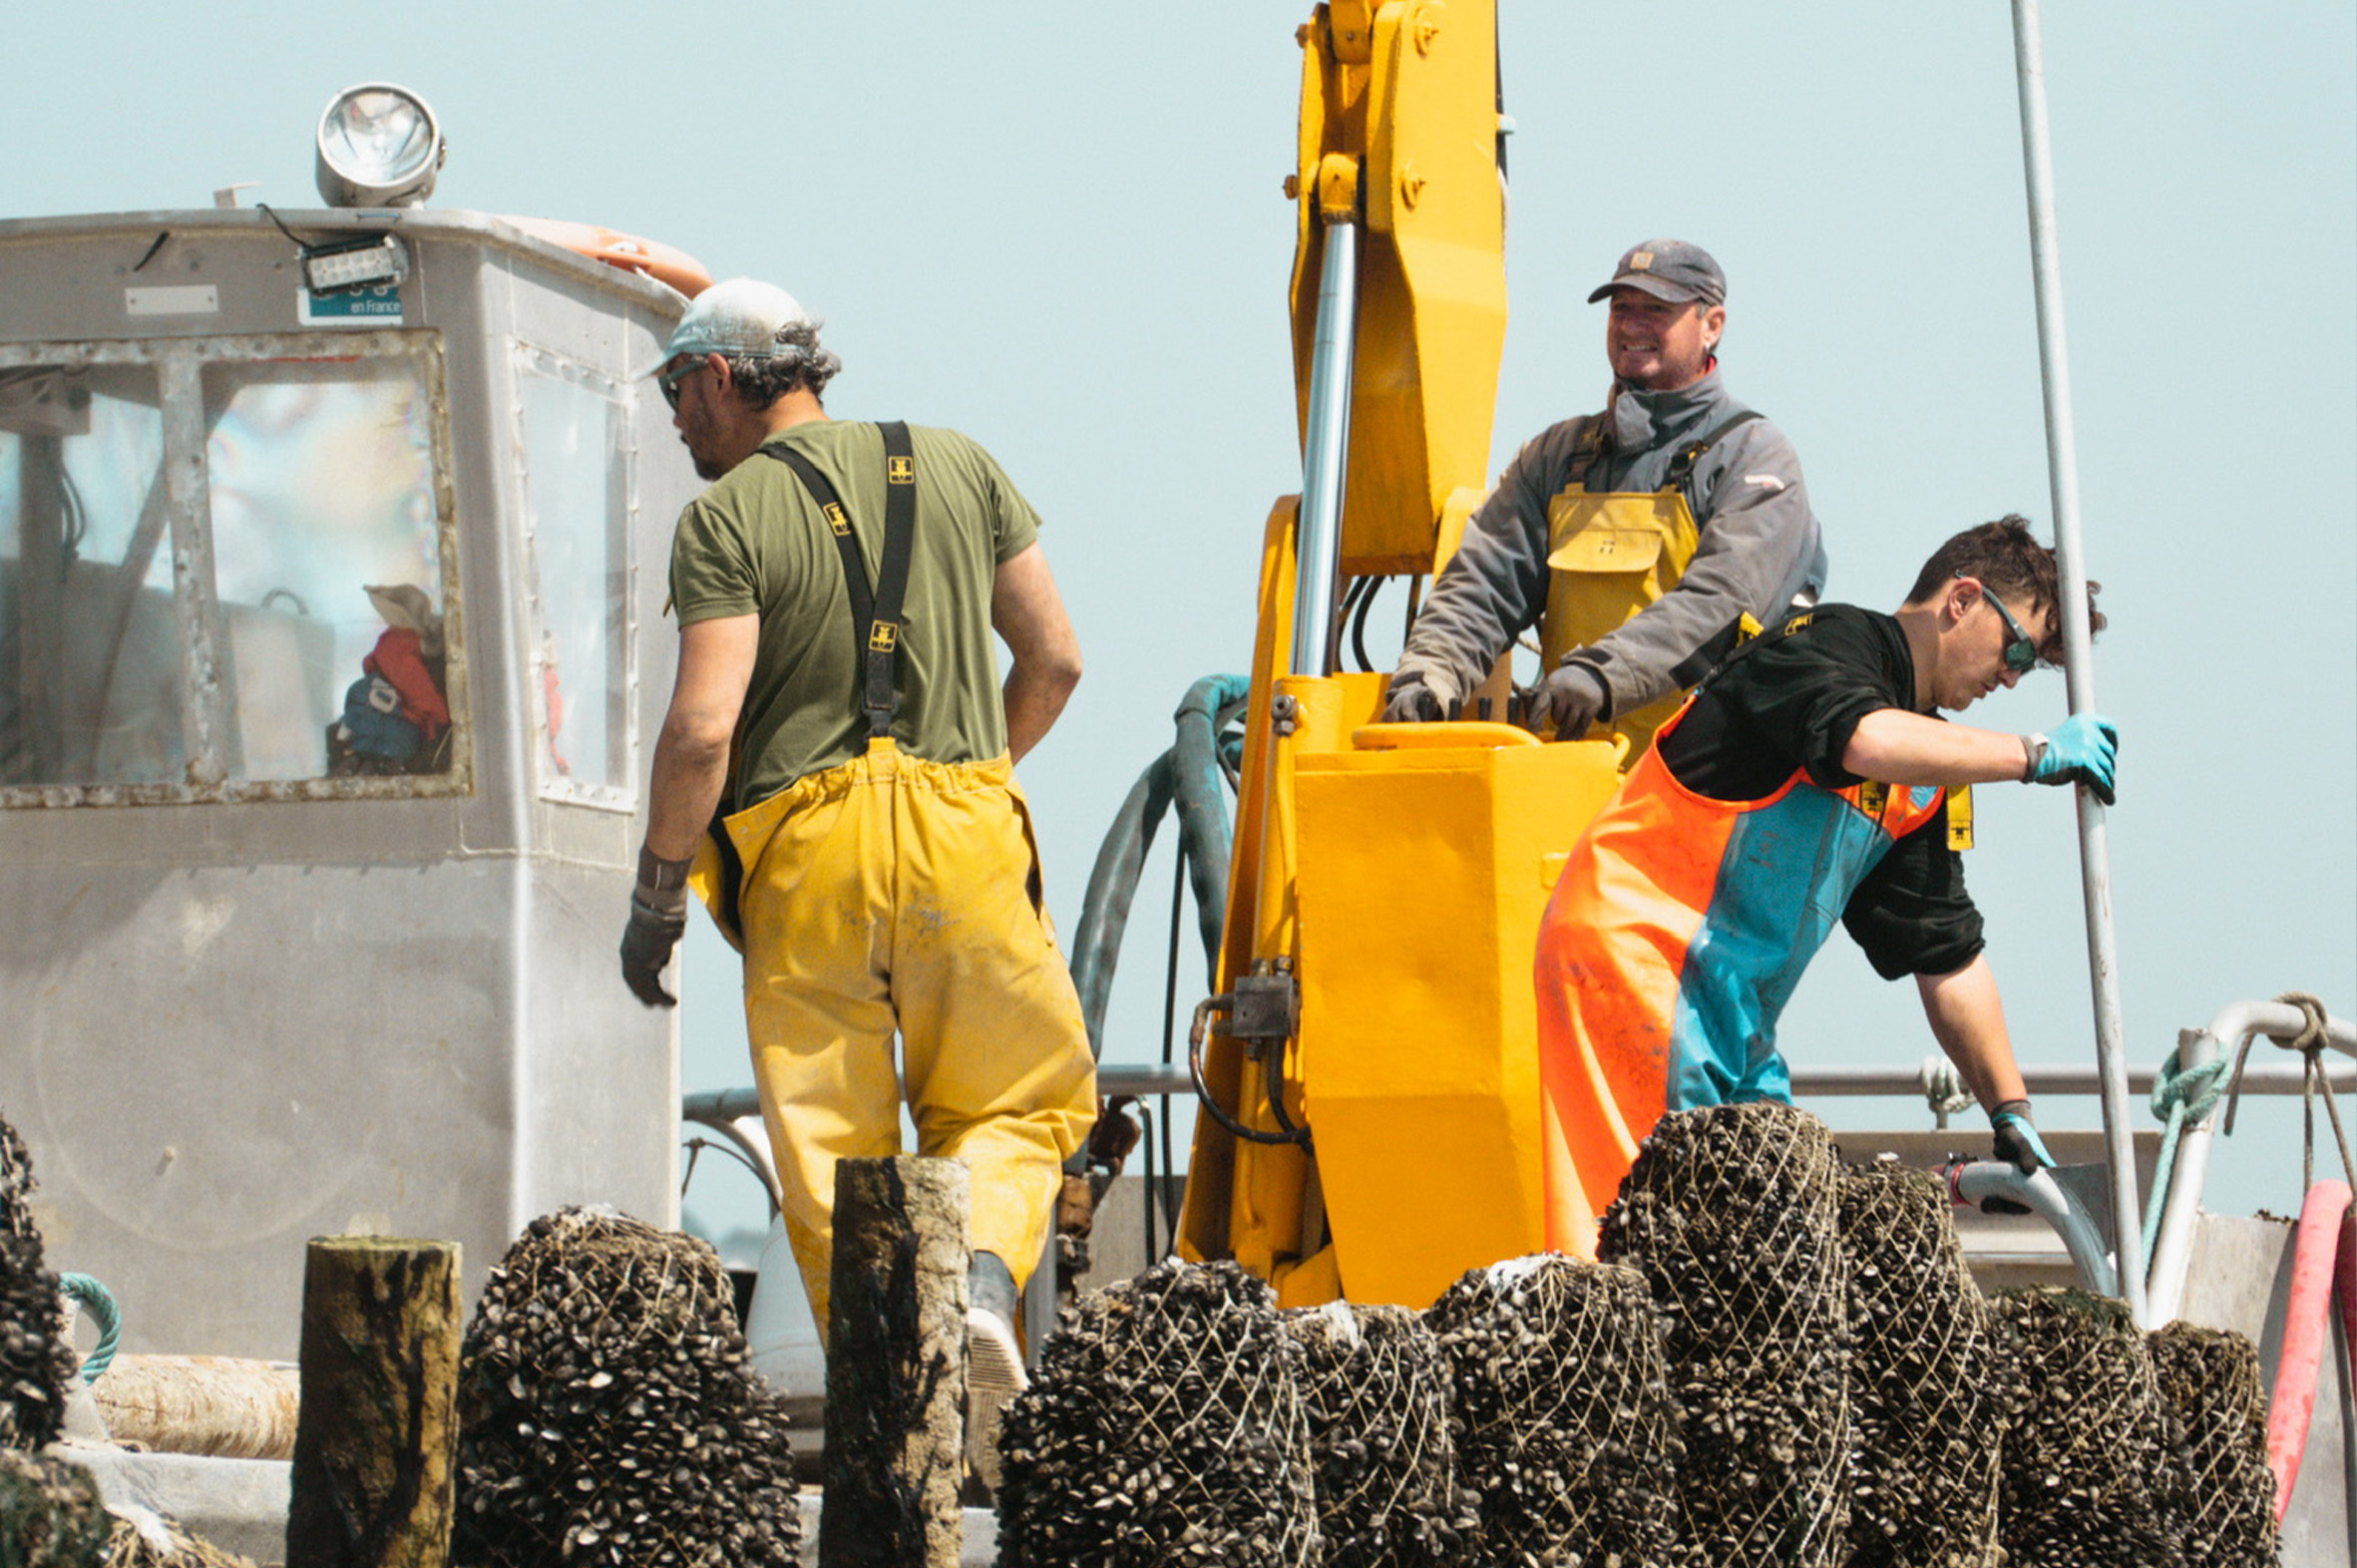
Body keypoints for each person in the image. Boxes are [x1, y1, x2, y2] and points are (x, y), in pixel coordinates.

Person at [616, 278, 1096, 1483]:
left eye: (678, 392)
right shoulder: (962, 464)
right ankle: (981, 1284)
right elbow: (1054, 658)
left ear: (723, 378)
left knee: (839, 1154)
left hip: (805, 856)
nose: (677, 421)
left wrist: (657, 893)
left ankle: (897, 1407)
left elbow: (700, 733)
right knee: (1015, 1100)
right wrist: (972, 781)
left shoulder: (724, 524)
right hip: (965, 832)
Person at [1533, 517, 2116, 1258]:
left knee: (1784, 1221)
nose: (2009, 678)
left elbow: (1946, 955)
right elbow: (1863, 738)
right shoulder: (1821, 644)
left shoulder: (1920, 785)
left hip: (1732, 1015)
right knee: (1649, 1236)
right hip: (1637, 966)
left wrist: (2010, 1110)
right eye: (2017, 649)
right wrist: (2032, 755)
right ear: (1961, 599)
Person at [1383, 239, 1824, 756]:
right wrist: (1430, 673)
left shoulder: (1754, 457)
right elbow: (1484, 584)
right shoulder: (1558, 456)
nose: (1632, 325)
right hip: (1575, 779)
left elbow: (1724, 603)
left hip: (1704, 787)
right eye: (1621, 309)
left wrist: (1602, 673)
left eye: (1656, 310)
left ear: (1713, 325)